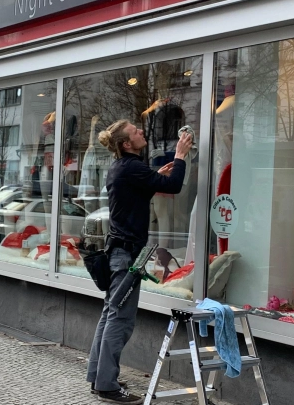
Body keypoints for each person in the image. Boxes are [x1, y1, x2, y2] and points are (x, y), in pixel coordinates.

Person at [86, 119, 192, 404]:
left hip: (119, 253)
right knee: (120, 320)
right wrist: (180, 155)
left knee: (110, 314)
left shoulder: (122, 168)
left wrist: (154, 175)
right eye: (135, 131)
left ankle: (98, 376)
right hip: (127, 256)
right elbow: (174, 186)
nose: (141, 131)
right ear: (126, 144)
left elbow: (141, 189)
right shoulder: (131, 168)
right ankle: (106, 385)